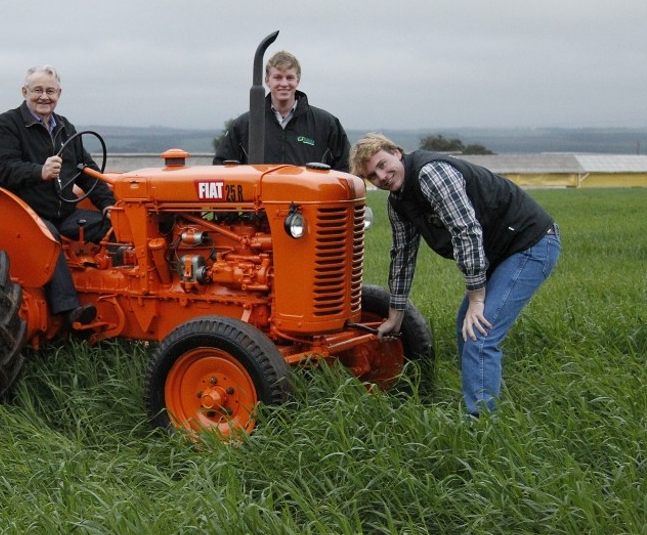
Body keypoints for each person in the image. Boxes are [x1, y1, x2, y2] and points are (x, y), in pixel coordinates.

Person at [349, 133, 561, 417]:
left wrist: (477, 299)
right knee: (467, 328)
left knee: (480, 334)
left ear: (397, 152)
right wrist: (395, 314)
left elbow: (466, 231)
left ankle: (481, 426)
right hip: (498, 252)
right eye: (372, 175)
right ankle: (482, 400)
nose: (382, 176)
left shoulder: (431, 174)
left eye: (383, 165)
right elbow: (402, 255)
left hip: (530, 245)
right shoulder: (398, 201)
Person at [0, 65, 115, 327]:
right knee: (49, 238)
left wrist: (109, 205)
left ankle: (116, 296)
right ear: (25, 92)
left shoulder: (65, 127)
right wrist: (39, 171)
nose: (44, 96)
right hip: (24, 214)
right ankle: (69, 311)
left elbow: (87, 172)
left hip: (63, 212)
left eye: (50, 91)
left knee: (112, 228)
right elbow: (1, 169)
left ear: (59, 94)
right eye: (37, 90)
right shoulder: (6, 125)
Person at [213, 50, 350, 172]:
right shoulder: (244, 126)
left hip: (309, 200)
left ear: (297, 80)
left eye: (289, 77)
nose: (284, 84)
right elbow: (221, 171)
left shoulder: (326, 124)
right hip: (261, 200)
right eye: (278, 77)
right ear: (267, 81)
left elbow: (347, 170)